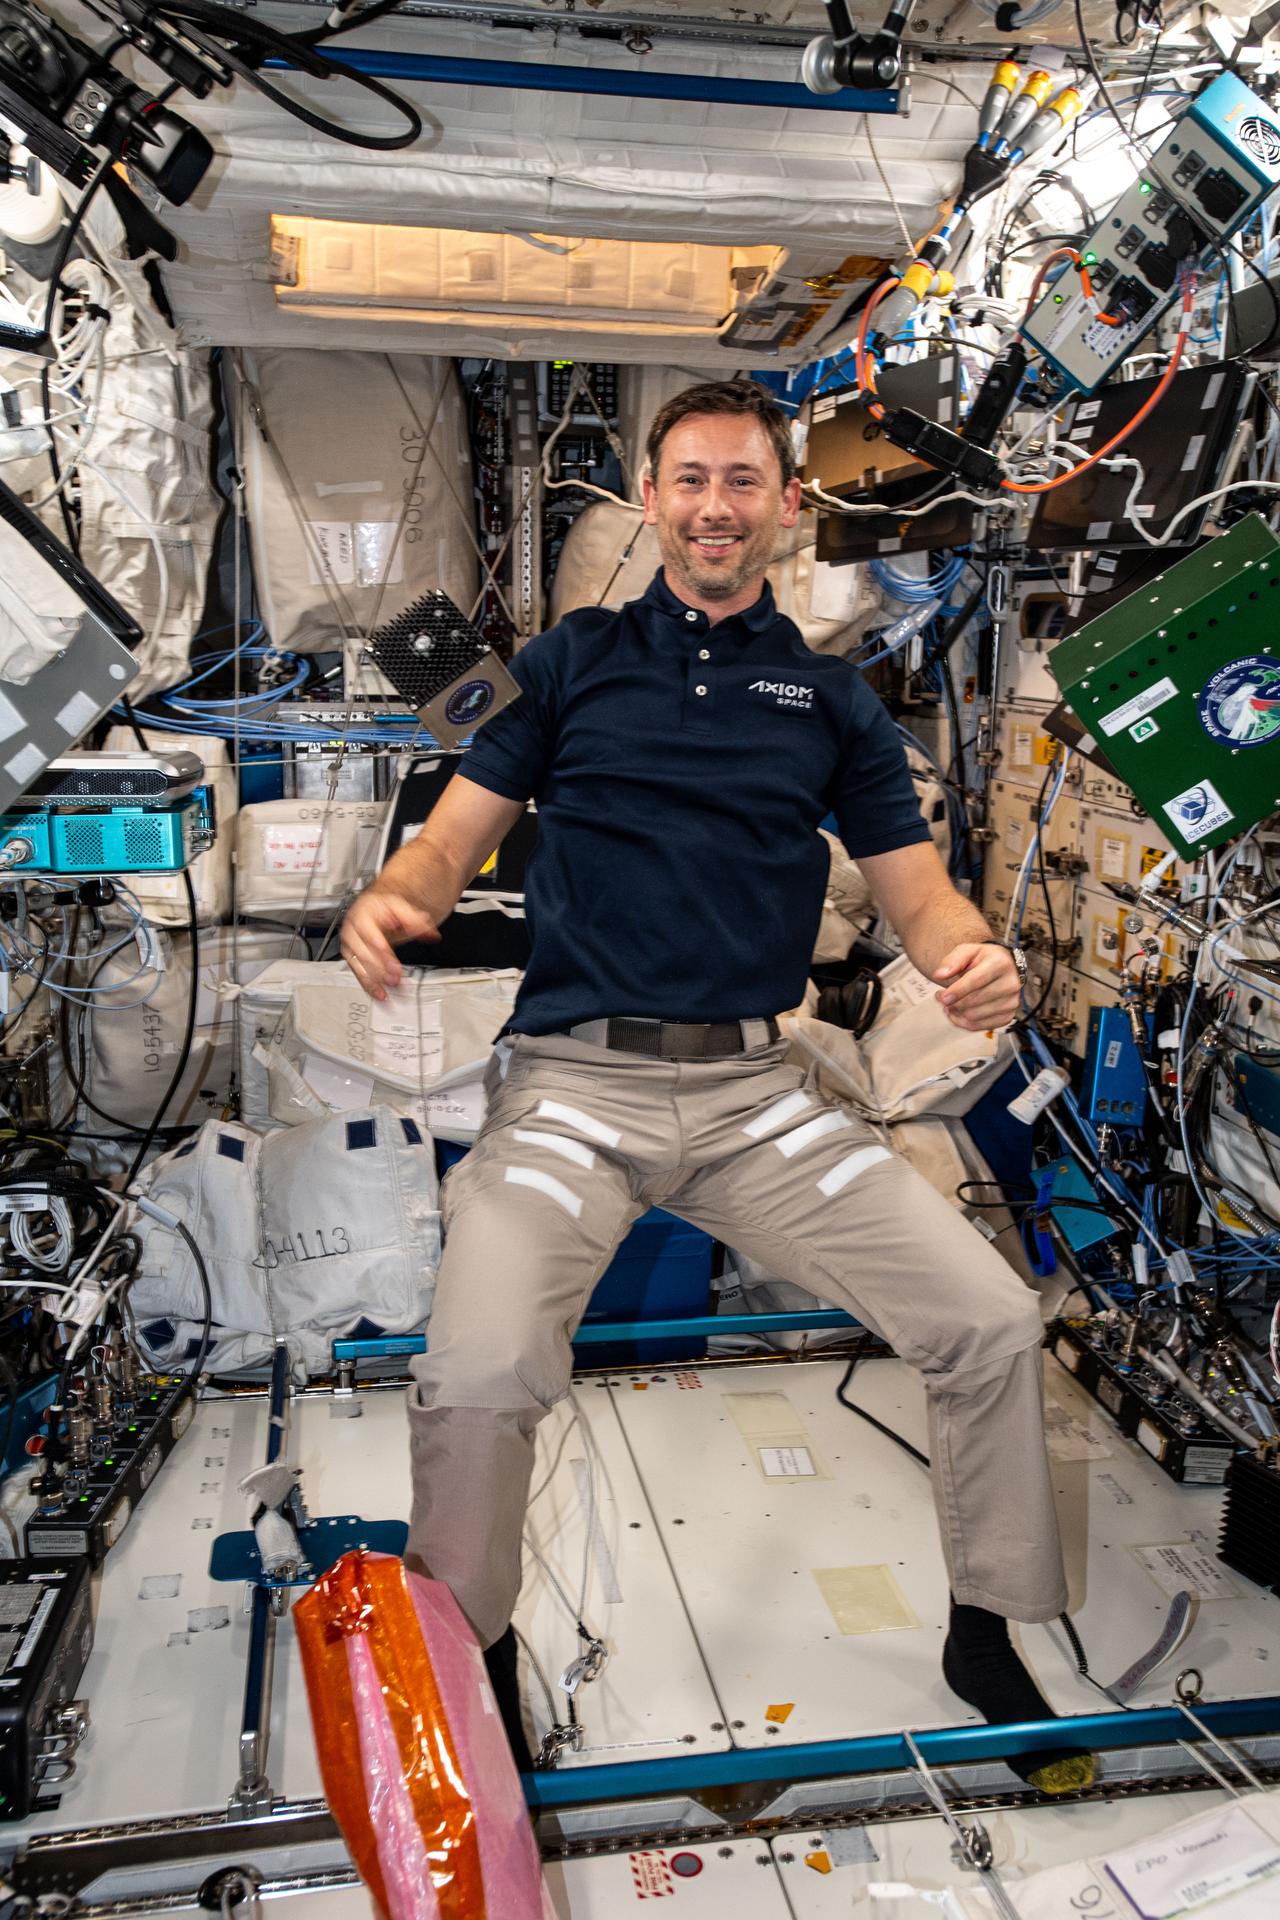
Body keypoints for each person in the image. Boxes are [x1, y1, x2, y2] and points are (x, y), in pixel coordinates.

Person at [340, 379, 1089, 1791]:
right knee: (483, 1373)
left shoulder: (834, 700)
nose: (715, 508)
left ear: (787, 507)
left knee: (989, 1318)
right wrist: (395, 896)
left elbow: (922, 905)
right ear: (650, 496)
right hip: (574, 1093)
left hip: (761, 1103)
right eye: (689, 480)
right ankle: (475, 1659)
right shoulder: (574, 661)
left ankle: (986, 1630)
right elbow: (448, 845)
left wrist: (973, 958)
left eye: (745, 482)